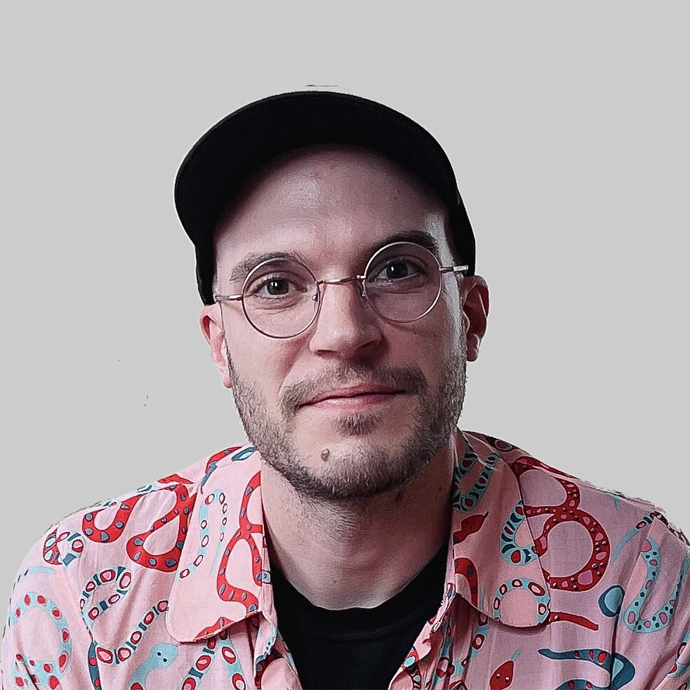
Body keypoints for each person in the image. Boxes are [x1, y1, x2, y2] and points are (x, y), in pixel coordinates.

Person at [2, 90, 689, 690]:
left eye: (395, 270)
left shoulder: (631, 588)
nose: (344, 333)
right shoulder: (80, 598)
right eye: (276, 285)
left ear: (471, 318)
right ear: (220, 347)